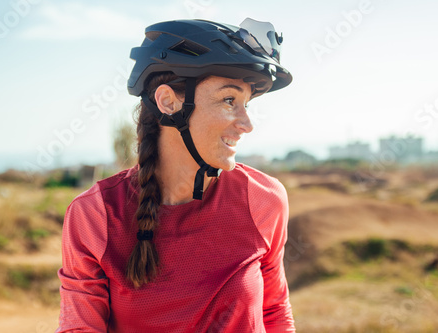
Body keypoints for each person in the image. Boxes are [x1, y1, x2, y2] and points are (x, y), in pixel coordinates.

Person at [56, 17, 294, 332]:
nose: (247, 123)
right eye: (229, 100)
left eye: (246, 104)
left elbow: (275, 313)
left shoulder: (263, 199)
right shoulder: (95, 215)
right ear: (168, 101)